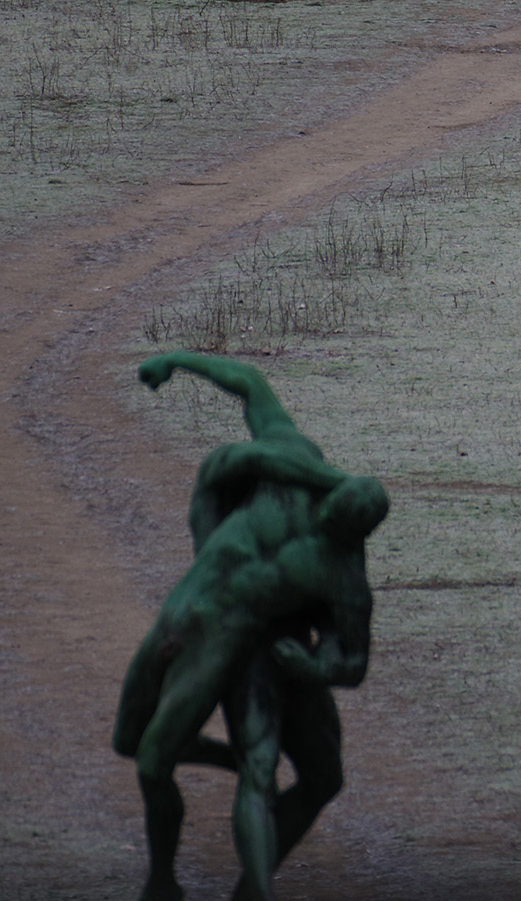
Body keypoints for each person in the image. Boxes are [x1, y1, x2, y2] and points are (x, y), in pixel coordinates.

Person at [115, 351, 389, 901]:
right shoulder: (296, 475)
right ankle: (179, 862)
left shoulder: (336, 563)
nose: (331, 523)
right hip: (193, 620)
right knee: (135, 747)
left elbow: (353, 658)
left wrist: (312, 666)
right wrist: (175, 359)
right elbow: (251, 385)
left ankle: (184, 883)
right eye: (336, 510)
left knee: (159, 758)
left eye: (344, 525)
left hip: (222, 637)